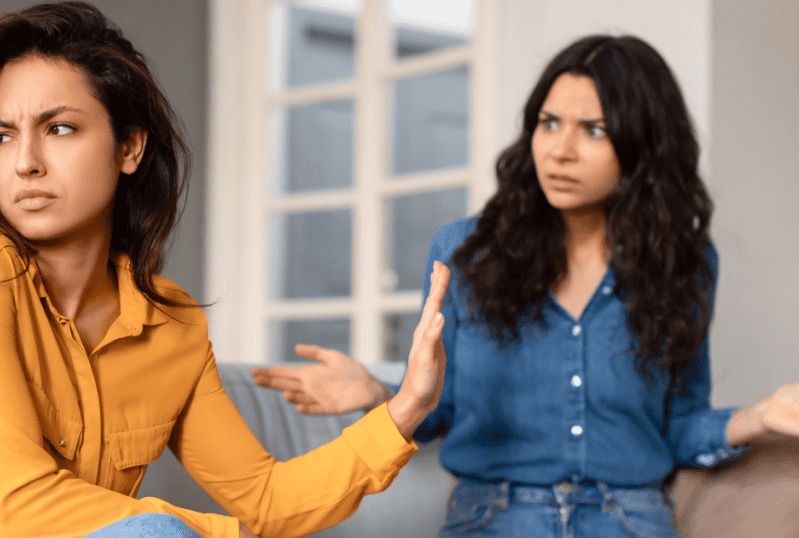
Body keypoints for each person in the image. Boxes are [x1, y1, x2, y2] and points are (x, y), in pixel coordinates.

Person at [0, 3, 453, 538]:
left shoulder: (172, 326)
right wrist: (216, 534)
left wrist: (409, 406)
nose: (25, 163)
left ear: (129, 148)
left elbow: (269, 500)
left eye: (59, 129)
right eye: (2, 137)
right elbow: (20, 501)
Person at [252, 34, 799, 537]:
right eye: (549, 122)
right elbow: (443, 411)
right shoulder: (466, 252)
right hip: (493, 517)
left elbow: (676, 427)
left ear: (643, 147)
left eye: (595, 130)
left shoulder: (685, 262)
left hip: (629, 521)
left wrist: (759, 415)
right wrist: (378, 393)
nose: (559, 151)